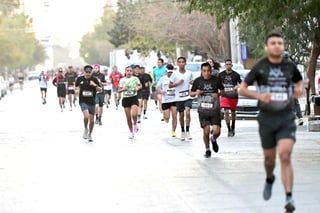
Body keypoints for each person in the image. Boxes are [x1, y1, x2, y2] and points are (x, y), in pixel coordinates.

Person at [239, 32, 304, 212]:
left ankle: (289, 198)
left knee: (285, 155)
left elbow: (299, 83)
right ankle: (269, 178)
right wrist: (259, 95)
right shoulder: (260, 66)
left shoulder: (289, 66)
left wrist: (299, 89)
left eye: (280, 43)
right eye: (273, 43)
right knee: (269, 160)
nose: (277, 45)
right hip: (267, 119)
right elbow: (242, 89)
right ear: (267, 47)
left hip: (286, 117)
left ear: (283, 46)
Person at [190, 62, 224, 158]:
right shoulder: (197, 81)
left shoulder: (216, 80)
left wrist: (217, 94)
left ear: (211, 71)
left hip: (215, 110)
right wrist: (196, 92)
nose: (206, 73)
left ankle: (213, 139)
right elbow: (191, 93)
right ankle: (207, 149)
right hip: (203, 110)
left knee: (217, 131)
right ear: (201, 71)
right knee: (206, 131)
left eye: (208, 71)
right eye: (204, 71)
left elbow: (222, 91)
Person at [75, 65, 102, 142]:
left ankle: (90, 134)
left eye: (89, 72)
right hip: (83, 101)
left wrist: (95, 85)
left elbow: (100, 90)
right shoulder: (80, 79)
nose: (88, 74)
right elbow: (76, 87)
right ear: (84, 72)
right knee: (86, 116)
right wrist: (76, 91)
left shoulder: (94, 79)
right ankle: (85, 128)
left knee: (92, 120)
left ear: (91, 72)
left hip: (92, 102)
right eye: (86, 72)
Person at [169, 57, 193, 141]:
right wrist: (177, 83)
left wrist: (194, 83)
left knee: (188, 111)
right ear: (177, 63)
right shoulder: (174, 74)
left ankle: (188, 130)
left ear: (185, 63)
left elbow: (191, 81)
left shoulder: (189, 73)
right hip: (179, 98)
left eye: (183, 62)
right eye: (180, 62)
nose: (181, 63)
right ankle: (183, 131)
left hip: (187, 96)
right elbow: (170, 85)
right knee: (181, 115)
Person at [218, 59, 242, 137]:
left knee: (233, 112)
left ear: (232, 65)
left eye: (229, 64)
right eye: (227, 64)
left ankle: (233, 126)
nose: (228, 65)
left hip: (233, 95)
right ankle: (229, 129)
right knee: (226, 112)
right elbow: (217, 84)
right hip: (224, 95)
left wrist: (237, 87)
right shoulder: (221, 75)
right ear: (225, 66)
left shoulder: (236, 74)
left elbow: (242, 84)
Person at [118, 66, 142, 139]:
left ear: (132, 72)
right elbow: (118, 90)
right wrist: (123, 89)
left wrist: (137, 88)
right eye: (127, 70)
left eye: (130, 71)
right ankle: (131, 132)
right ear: (125, 72)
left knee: (134, 114)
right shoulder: (122, 80)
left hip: (134, 98)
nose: (129, 72)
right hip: (126, 99)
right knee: (128, 118)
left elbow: (140, 85)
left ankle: (135, 123)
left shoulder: (135, 79)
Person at [157, 64, 178, 137]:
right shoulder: (163, 78)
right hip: (165, 100)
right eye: (168, 72)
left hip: (174, 99)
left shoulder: (176, 78)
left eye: (171, 72)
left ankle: (173, 131)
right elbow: (158, 87)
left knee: (175, 116)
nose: (170, 74)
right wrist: (161, 91)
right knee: (167, 116)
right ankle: (166, 118)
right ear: (166, 71)